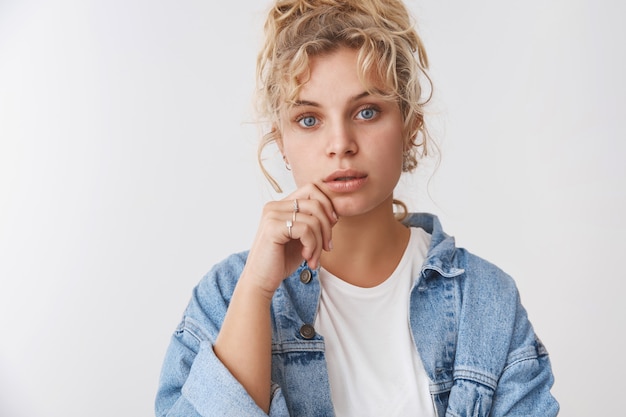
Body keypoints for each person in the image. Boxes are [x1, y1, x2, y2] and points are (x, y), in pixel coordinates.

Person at [155, 0, 559, 415]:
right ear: (282, 143)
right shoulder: (226, 297)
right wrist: (257, 291)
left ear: (409, 128)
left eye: (367, 112)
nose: (340, 143)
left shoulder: (485, 299)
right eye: (309, 119)